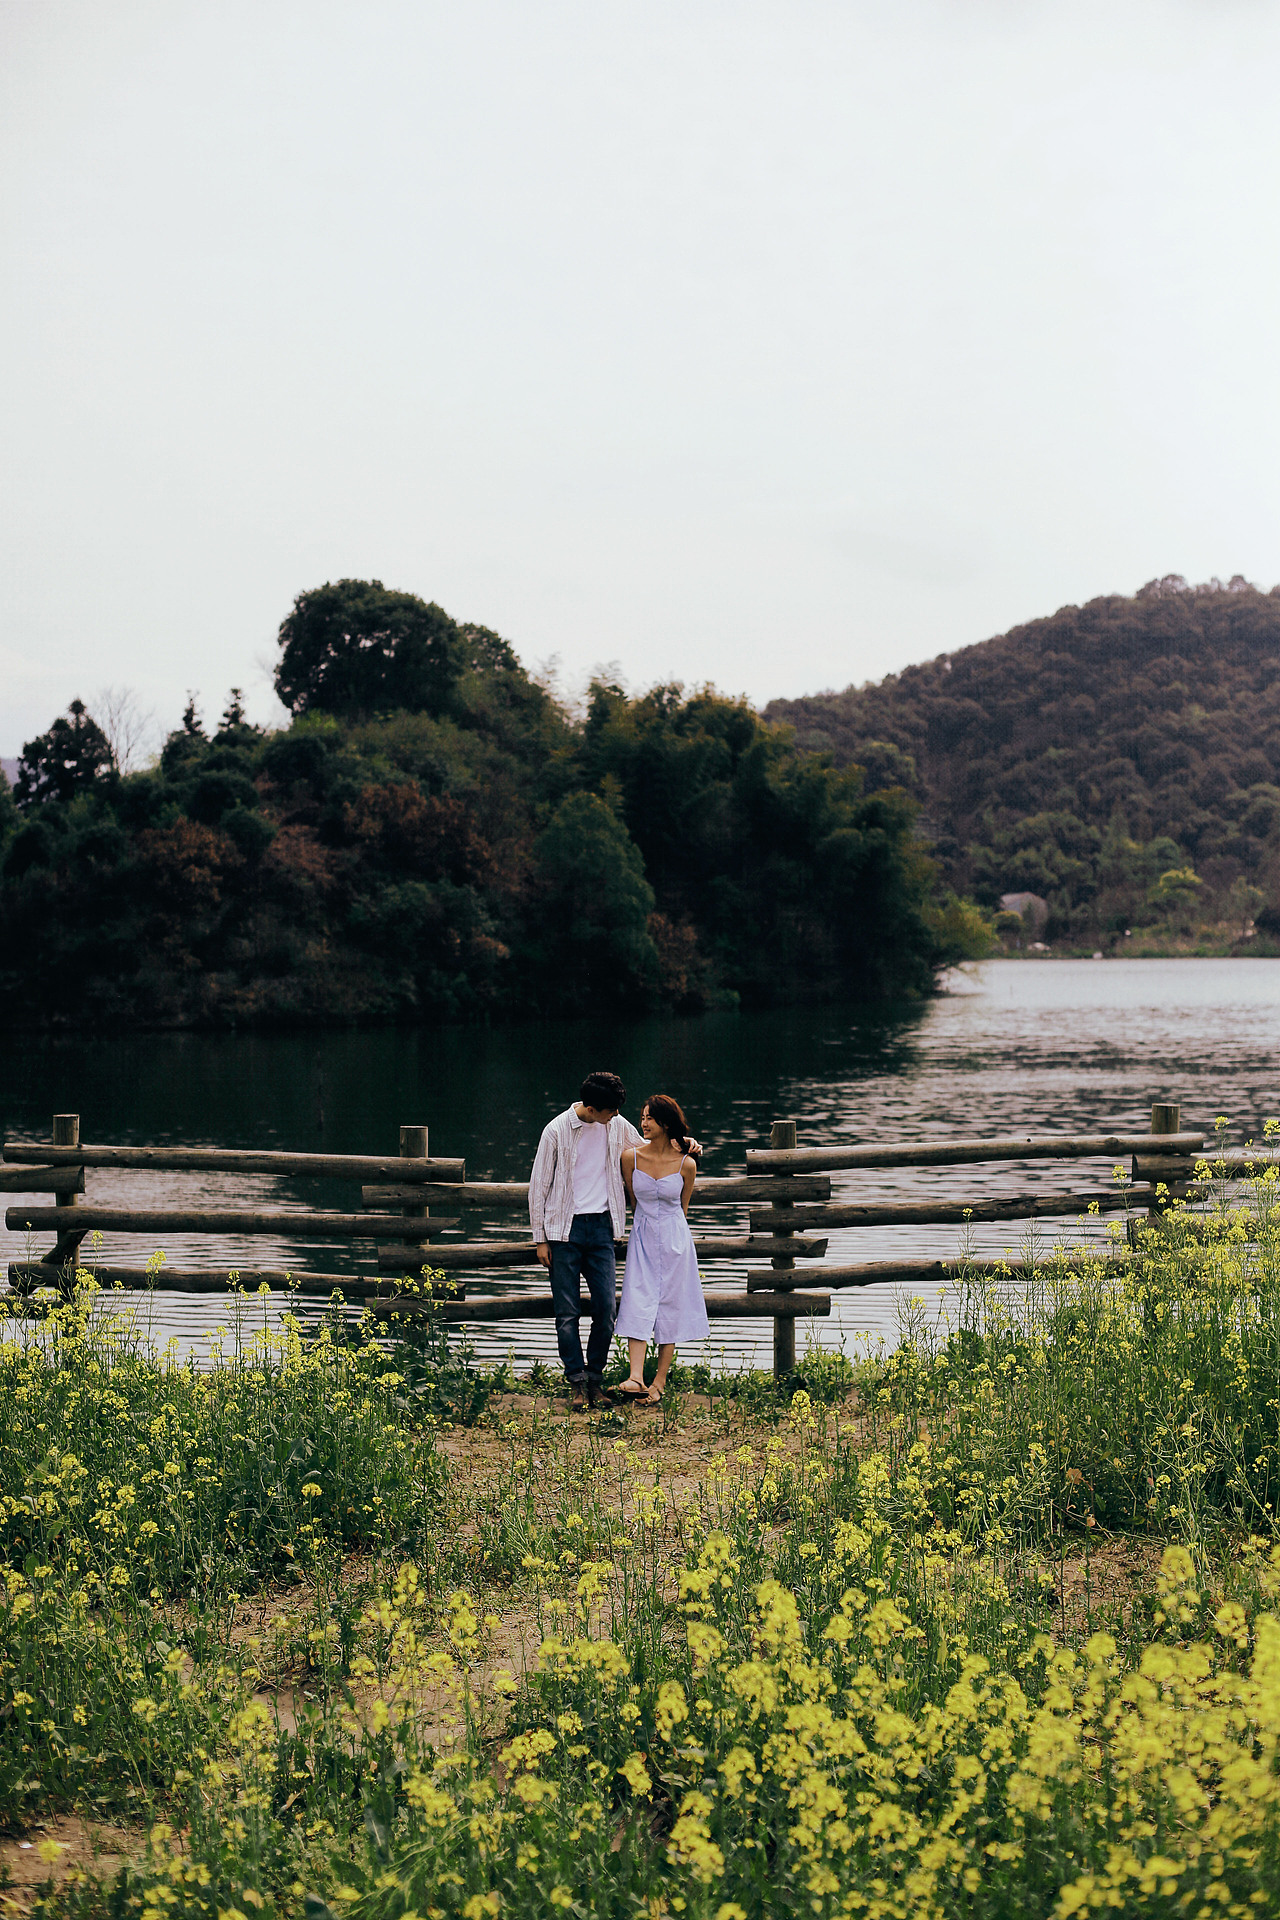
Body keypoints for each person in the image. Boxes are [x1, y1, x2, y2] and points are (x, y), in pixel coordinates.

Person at [528, 1070, 644, 1411]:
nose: (616, 1115)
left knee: (606, 1309)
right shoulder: (556, 1130)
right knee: (567, 1313)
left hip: (602, 1228)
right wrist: (540, 1239)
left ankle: (595, 1379)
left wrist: (684, 1144)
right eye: (610, 1110)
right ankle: (577, 1382)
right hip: (564, 1231)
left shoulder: (617, 1125)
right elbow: (539, 1186)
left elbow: (647, 1149)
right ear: (592, 1108)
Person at [614, 1094, 708, 1406]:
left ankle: (659, 1382)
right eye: (642, 1117)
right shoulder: (630, 1158)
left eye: (650, 1118)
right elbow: (634, 1201)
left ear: (666, 1123)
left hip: (674, 1238)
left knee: (670, 1304)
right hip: (642, 1234)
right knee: (637, 1297)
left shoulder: (686, 1164)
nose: (643, 1123)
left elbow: (682, 1208)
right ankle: (635, 1377)